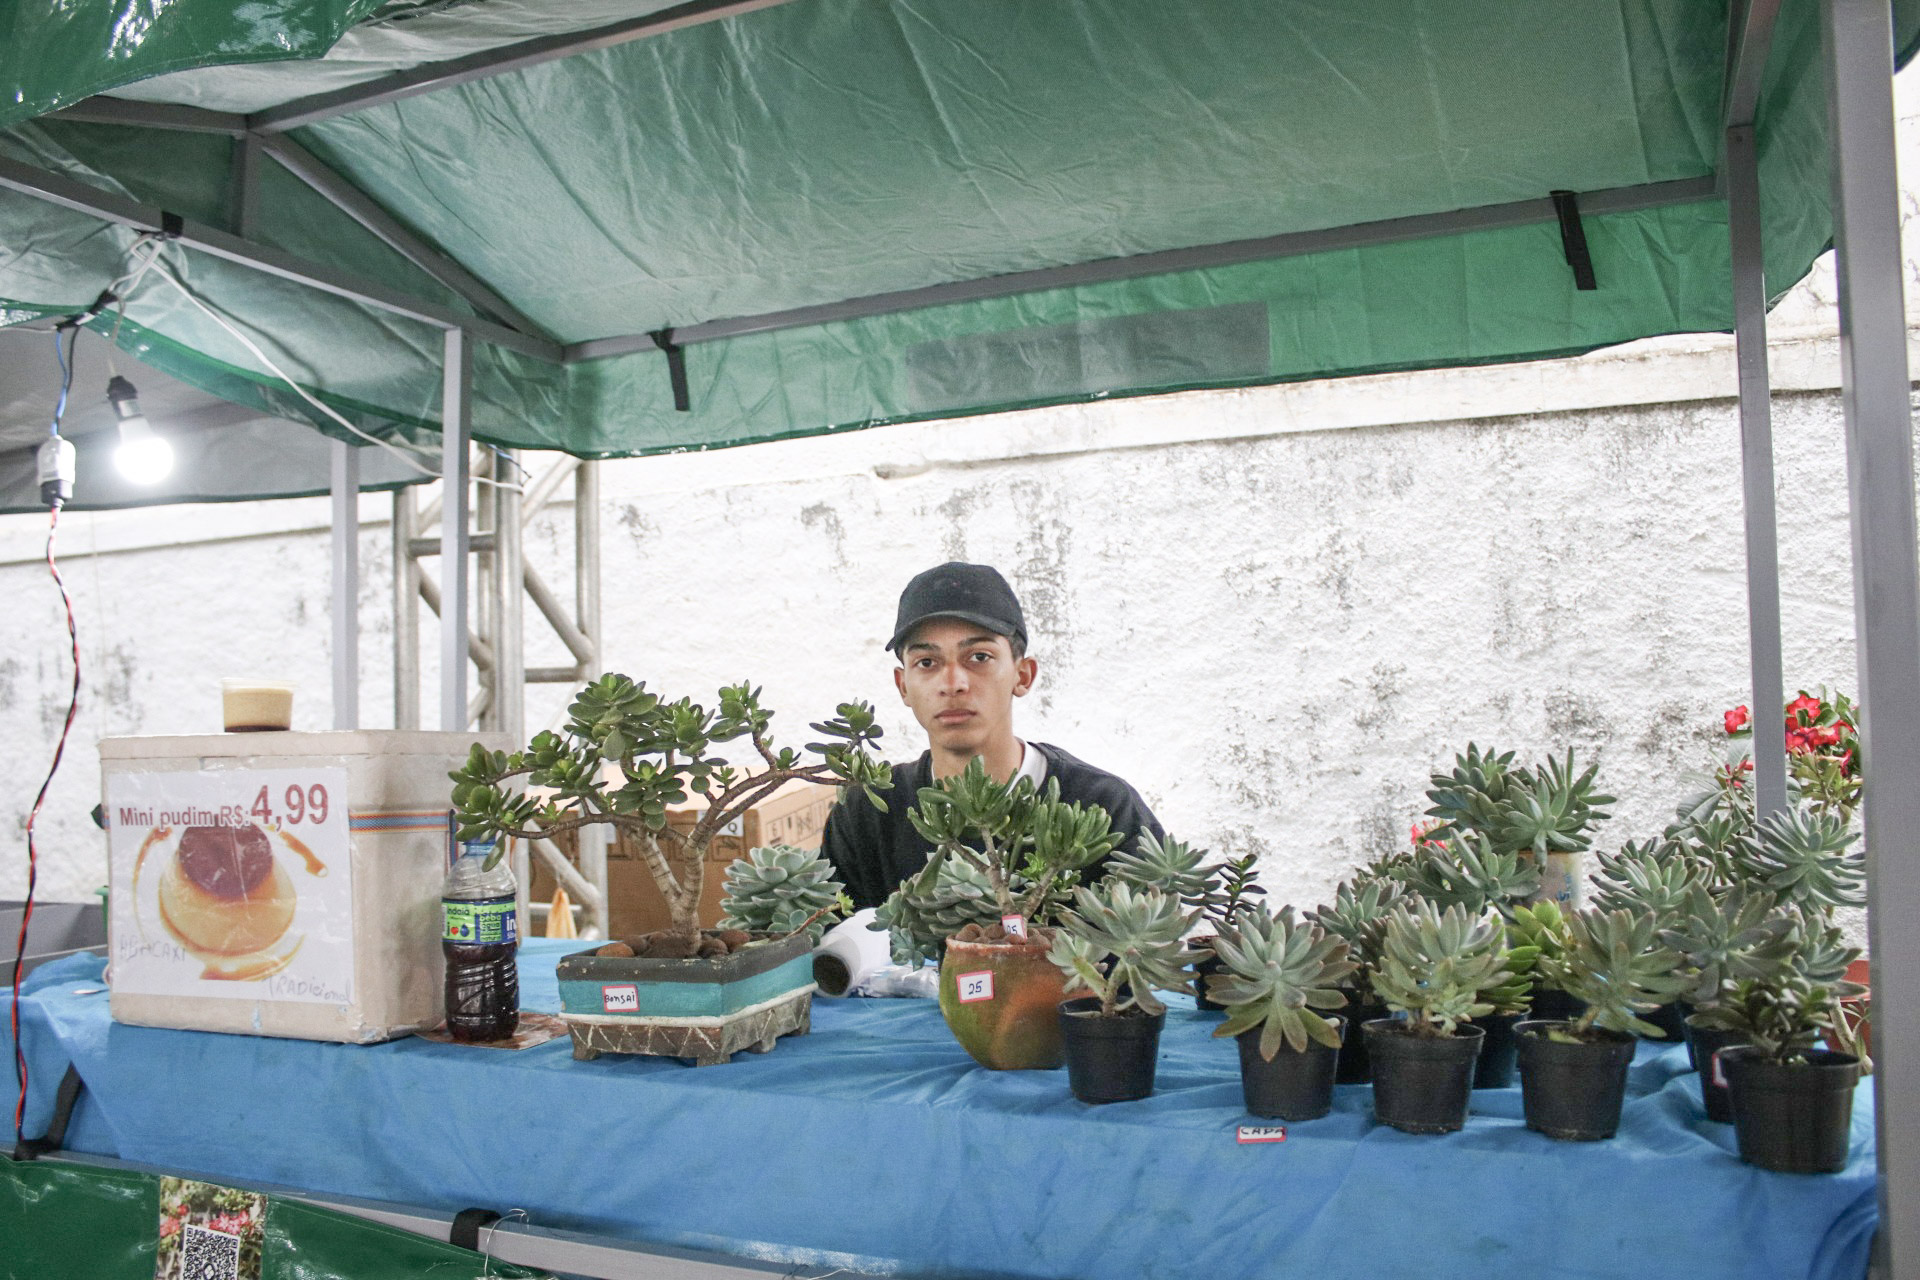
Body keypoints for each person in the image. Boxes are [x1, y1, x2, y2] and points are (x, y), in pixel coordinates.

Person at [821, 561, 1163, 910]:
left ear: (1023, 675)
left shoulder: (1105, 809)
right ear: (903, 685)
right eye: (927, 662)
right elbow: (828, 934)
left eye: (979, 657)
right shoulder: (868, 813)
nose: (953, 683)